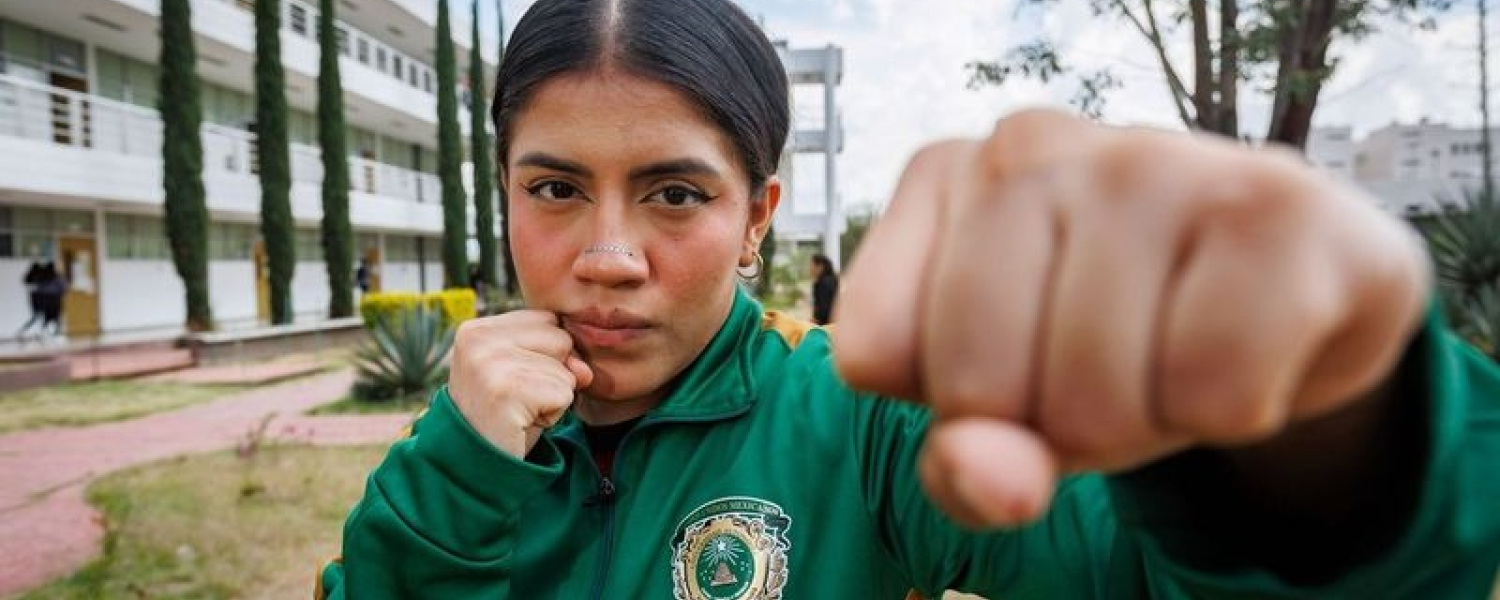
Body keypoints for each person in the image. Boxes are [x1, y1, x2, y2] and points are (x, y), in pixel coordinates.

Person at [316, 0, 1500, 598]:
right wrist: (461, 475)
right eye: (557, 188)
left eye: (675, 193)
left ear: (758, 218)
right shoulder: (461, 436)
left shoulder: (858, 413)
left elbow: (1148, 577)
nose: (609, 254)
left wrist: (1325, 440)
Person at [16, 259, 46, 339]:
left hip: (35, 298)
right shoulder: (37, 276)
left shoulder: (31, 276)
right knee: (37, 316)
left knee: (38, 316)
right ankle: (24, 332)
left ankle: (40, 333)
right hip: (38, 298)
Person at [809, 253, 838, 325]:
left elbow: (824, 307)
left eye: (812, 266)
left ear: (820, 267)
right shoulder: (833, 279)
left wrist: (816, 320)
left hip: (825, 325)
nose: (810, 269)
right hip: (834, 323)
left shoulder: (823, 283)